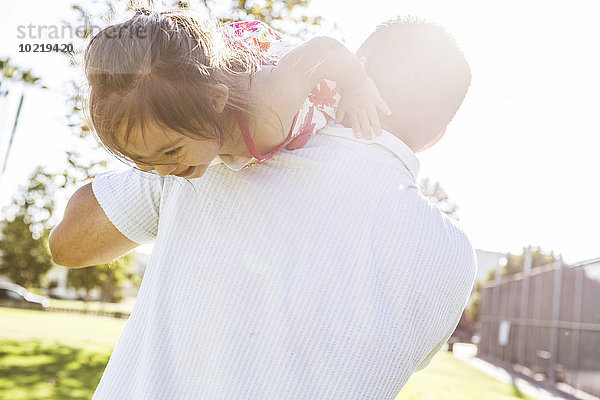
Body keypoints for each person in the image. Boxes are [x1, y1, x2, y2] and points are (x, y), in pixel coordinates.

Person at [50, 16, 475, 400]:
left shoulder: (214, 151)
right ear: (437, 135)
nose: (163, 166)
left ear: (352, 71)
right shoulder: (456, 260)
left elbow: (68, 244)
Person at [83, 8, 390, 179]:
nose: (163, 172)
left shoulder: (271, 104)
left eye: (171, 152)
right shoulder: (172, 124)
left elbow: (323, 50)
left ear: (216, 100)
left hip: (264, 61)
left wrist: (357, 86)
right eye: (143, 162)